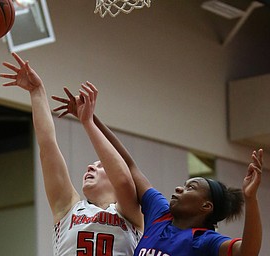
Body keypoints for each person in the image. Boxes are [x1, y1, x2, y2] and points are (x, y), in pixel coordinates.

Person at [53, 84, 263, 256]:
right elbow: (129, 165)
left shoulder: (203, 241)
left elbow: (248, 251)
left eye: (191, 188)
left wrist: (250, 198)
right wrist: (88, 118)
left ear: (206, 206)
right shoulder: (159, 214)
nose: (180, 189)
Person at [0, 52, 143, 256]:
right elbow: (47, 147)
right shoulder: (68, 208)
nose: (91, 167)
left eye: (101, 165)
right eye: (93, 164)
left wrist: (88, 122)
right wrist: (36, 91)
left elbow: (124, 180)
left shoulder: (130, 214)